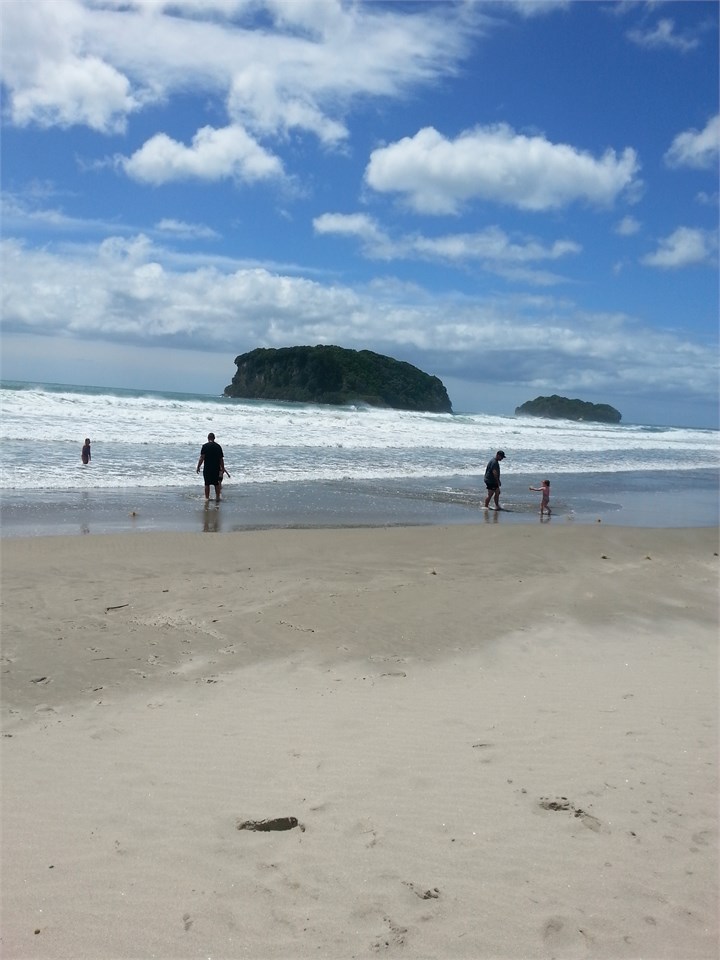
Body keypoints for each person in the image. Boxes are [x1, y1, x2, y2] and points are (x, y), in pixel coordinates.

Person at [196, 432, 225, 501]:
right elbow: (221, 459)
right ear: (214, 438)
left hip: (207, 468)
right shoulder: (218, 446)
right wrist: (222, 468)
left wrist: (198, 466)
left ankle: (207, 498)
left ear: (208, 438)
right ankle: (217, 497)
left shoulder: (205, 446)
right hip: (216, 468)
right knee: (216, 484)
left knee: (207, 484)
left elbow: (202, 457)